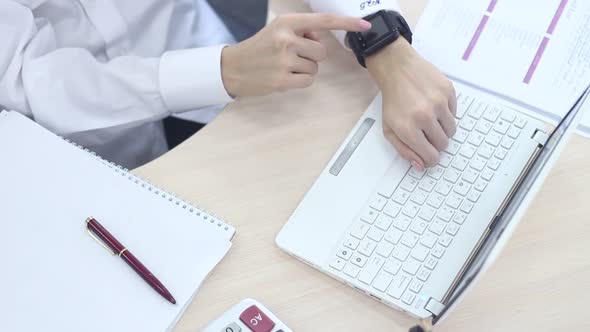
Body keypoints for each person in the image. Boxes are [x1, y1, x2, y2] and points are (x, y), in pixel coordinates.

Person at [0, 0, 455, 170]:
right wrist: (223, 70)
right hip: (102, 143)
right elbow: (23, 78)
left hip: (209, 39)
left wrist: (379, 37)